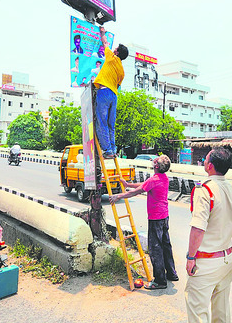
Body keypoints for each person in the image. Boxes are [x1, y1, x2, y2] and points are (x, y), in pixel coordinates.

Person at [185, 148, 232, 323]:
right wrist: (227, 250)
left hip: (206, 263)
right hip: (227, 260)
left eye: (205, 159)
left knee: (198, 313)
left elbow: (198, 229)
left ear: (209, 166)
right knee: (222, 312)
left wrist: (190, 257)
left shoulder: (205, 191)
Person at [109, 154, 178, 289]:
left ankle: (159, 281)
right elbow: (144, 185)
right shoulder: (162, 178)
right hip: (164, 216)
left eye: (155, 160)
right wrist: (128, 184)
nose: (153, 161)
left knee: (155, 249)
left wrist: (118, 196)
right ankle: (171, 273)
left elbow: (137, 191)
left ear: (157, 166)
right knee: (165, 246)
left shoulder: (154, 180)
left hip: (156, 218)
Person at [94, 26, 128, 159]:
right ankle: (113, 150)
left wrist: (102, 32)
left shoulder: (111, 57)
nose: (114, 49)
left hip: (104, 93)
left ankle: (108, 151)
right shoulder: (122, 70)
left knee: (101, 122)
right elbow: (118, 84)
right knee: (110, 125)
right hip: (114, 96)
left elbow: (105, 42)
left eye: (116, 49)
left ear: (117, 53)